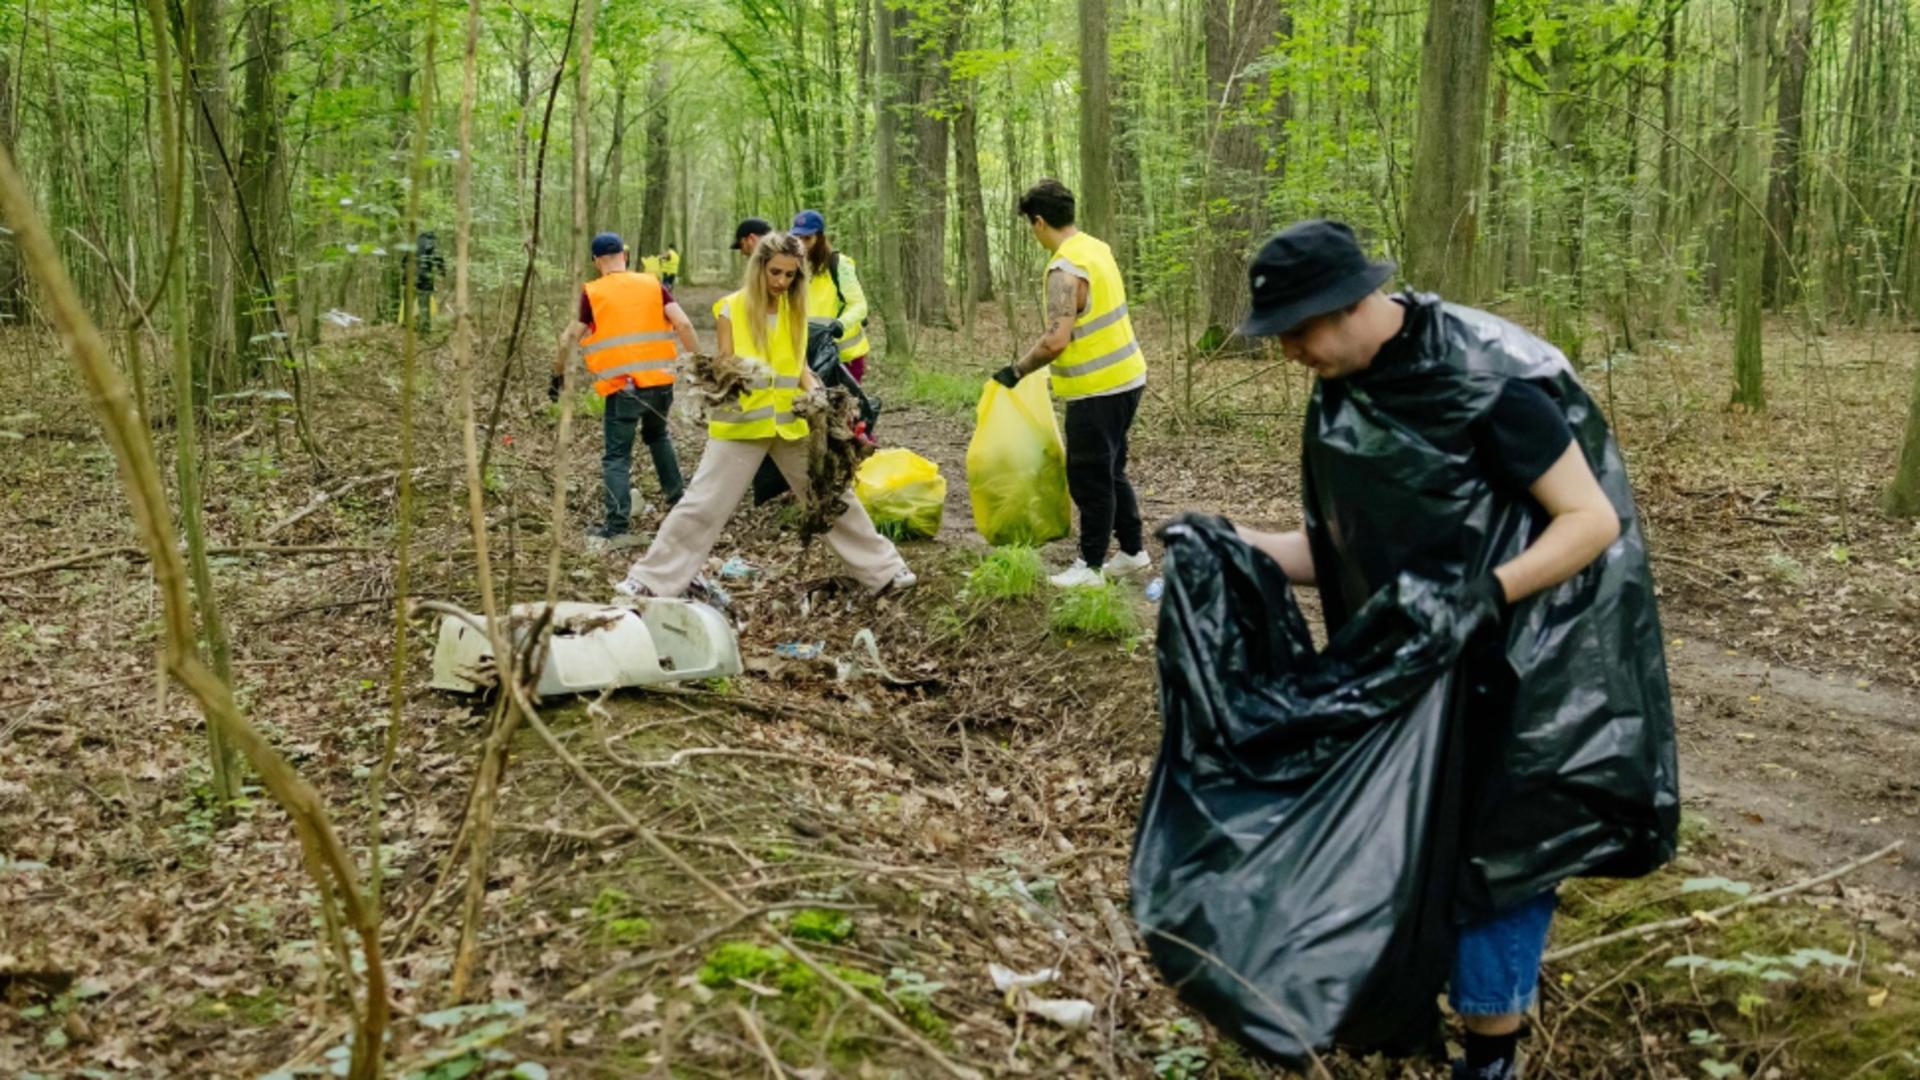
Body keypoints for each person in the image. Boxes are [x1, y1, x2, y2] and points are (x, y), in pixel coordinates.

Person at [1232, 220, 1668, 1080]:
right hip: (1417, 668)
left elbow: (1590, 520)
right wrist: (1235, 543)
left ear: (1352, 303)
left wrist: (1485, 595)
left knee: (1500, 857)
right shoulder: (1344, 392)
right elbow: (1342, 554)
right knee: (1414, 847)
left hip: (1525, 668)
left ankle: (1491, 1060)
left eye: (1298, 329)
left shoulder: (1489, 380)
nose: (1288, 351)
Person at [616, 231, 916, 599]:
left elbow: (800, 366)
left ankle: (886, 572)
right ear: (759, 267)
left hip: (791, 424)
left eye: (790, 275)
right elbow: (725, 364)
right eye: (775, 272)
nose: (782, 282)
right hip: (741, 425)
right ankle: (650, 580)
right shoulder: (730, 309)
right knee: (703, 504)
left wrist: (816, 392)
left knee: (831, 496)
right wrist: (730, 374)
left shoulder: (796, 309)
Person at [991, 179, 1151, 588]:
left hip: (1096, 389)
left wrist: (1017, 370)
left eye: (1031, 225)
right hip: (1128, 377)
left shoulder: (1065, 268)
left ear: (1039, 222)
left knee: (1089, 477)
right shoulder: (1096, 248)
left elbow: (1055, 341)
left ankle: (1090, 566)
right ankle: (1132, 552)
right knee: (1112, 469)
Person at [551, 231, 699, 549]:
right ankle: (679, 502)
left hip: (624, 388)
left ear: (596, 261)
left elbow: (568, 338)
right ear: (625, 256)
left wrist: (557, 375)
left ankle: (616, 526)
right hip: (661, 382)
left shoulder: (593, 292)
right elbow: (684, 324)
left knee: (617, 456)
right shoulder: (653, 284)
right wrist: (701, 364)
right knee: (658, 436)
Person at [789, 210, 872, 381]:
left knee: (844, 399)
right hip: (809, 356)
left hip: (845, 358)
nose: (801, 244)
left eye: (807, 238)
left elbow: (859, 305)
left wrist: (840, 324)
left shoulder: (838, 264)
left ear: (819, 237)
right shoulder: (792, 268)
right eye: (797, 238)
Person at [414, 230, 445, 332]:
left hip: (413, 276)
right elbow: (438, 258)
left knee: (419, 300)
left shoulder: (415, 243)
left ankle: (416, 324)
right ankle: (425, 327)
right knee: (425, 301)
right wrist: (442, 271)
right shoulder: (430, 242)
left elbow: (404, 261)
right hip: (425, 276)